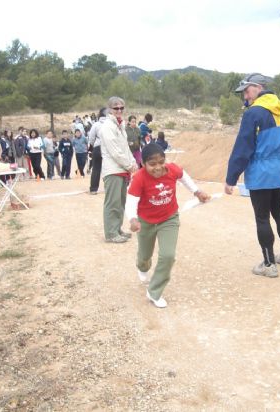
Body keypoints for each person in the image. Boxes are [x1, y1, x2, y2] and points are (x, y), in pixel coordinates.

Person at [224, 73, 280, 278]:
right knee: (279, 213)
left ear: (257, 87)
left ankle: (269, 264)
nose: (245, 97)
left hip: (260, 172)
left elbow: (243, 148)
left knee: (262, 217)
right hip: (279, 170)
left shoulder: (253, 113)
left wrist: (231, 178)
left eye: (246, 91)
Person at [126, 143, 210, 308]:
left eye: (161, 162)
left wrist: (197, 192)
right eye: (152, 164)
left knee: (168, 255)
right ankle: (142, 267)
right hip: (145, 222)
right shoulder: (139, 178)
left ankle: (154, 291)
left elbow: (184, 176)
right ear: (143, 164)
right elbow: (131, 201)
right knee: (145, 255)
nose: (158, 167)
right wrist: (133, 219)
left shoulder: (172, 169)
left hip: (168, 219)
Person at [100, 96, 138, 243]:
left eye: (122, 107)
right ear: (110, 109)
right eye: (116, 108)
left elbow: (125, 148)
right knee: (113, 202)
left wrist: (133, 162)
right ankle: (110, 233)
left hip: (122, 170)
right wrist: (129, 165)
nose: (119, 110)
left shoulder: (120, 125)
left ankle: (117, 229)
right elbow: (115, 151)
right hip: (113, 170)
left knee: (120, 202)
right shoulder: (108, 127)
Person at [88, 107, 107, 194]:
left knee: (96, 168)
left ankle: (93, 189)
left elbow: (91, 138)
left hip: (97, 146)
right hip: (108, 148)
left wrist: (93, 144)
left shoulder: (96, 124)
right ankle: (108, 187)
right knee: (108, 168)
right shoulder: (110, 124)